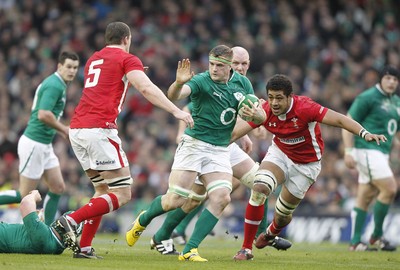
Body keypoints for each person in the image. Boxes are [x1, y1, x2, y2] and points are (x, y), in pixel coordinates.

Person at [52, 21, 193, 259]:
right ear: (127, 39)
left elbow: (109, 80)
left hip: (77, 129)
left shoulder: (94, 59)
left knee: (102, 189)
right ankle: (70, 219)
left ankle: (84, 248)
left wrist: (132, 71)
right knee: (123, 193)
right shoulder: (128, 59)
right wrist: (175, 111)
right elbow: (146, 89)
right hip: (100, 130)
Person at [149, 46, 291, 260]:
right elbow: (189, 107)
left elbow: (244, 113)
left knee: (259, 182)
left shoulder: (243, 84)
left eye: (245, 64)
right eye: (236, 64)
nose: (240, 68)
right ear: (228, 63)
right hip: (205, 144)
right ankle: (164, 232)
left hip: (225, 146)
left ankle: (259, 236)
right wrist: (181, 131)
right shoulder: (210, 80)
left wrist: (250, 128)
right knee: (192, 197)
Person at [230, 74, 387, 259]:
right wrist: (212, 148)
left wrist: (364, 133)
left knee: (282, 215)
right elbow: (235, 133)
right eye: (271, 97)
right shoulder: (264, 110)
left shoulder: (305, 107)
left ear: (290, 97)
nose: (274, 102)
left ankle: (271, 233)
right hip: (280, 154)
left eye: (279, 98)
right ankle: (246, 249)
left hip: (306, 165)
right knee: (260, 187)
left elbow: (339, 120)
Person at [126, 45, 255, 262]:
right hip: (194, 145)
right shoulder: (201, 81)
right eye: (212, 64)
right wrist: (179, 83)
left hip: (220, 149)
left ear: (229, 66)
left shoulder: (243, 83)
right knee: (175, 200)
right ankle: (143, 219)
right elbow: (175, 95)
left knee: (222, 197)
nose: (214, 69)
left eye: (219, 66)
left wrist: (256, 116)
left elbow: (250, 109)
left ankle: (190, 249)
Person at [0, 52, 79, 225]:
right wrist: (64, 129)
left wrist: (61, 130)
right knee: (24, 194)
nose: (72, 71)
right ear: (59, 67)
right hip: (34, 143)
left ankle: (48, 228)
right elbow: (43, 114)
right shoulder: (55, 85)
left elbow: (48, 115)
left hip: (44, 145)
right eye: (68, 67)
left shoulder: (59, 84)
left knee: (58, 187)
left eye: (75, 67)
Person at [342, 66, 399, 252]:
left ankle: (356, 242)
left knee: (365, 196)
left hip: (381, 152)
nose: (392, 82)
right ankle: (376, 235)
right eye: (388, 78)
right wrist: (348, 150)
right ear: (381, 79)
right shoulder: (367, 97)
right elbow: (347, 122)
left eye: (395, 79)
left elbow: (393, 131)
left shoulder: (396, 101)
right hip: (366, 149)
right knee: (390, 188)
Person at [0, 190, 82, 254]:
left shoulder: (44, 236)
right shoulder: (57, 247)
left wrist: (34, 195)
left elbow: (26, 203)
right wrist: (38, 220)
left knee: (23, 192)